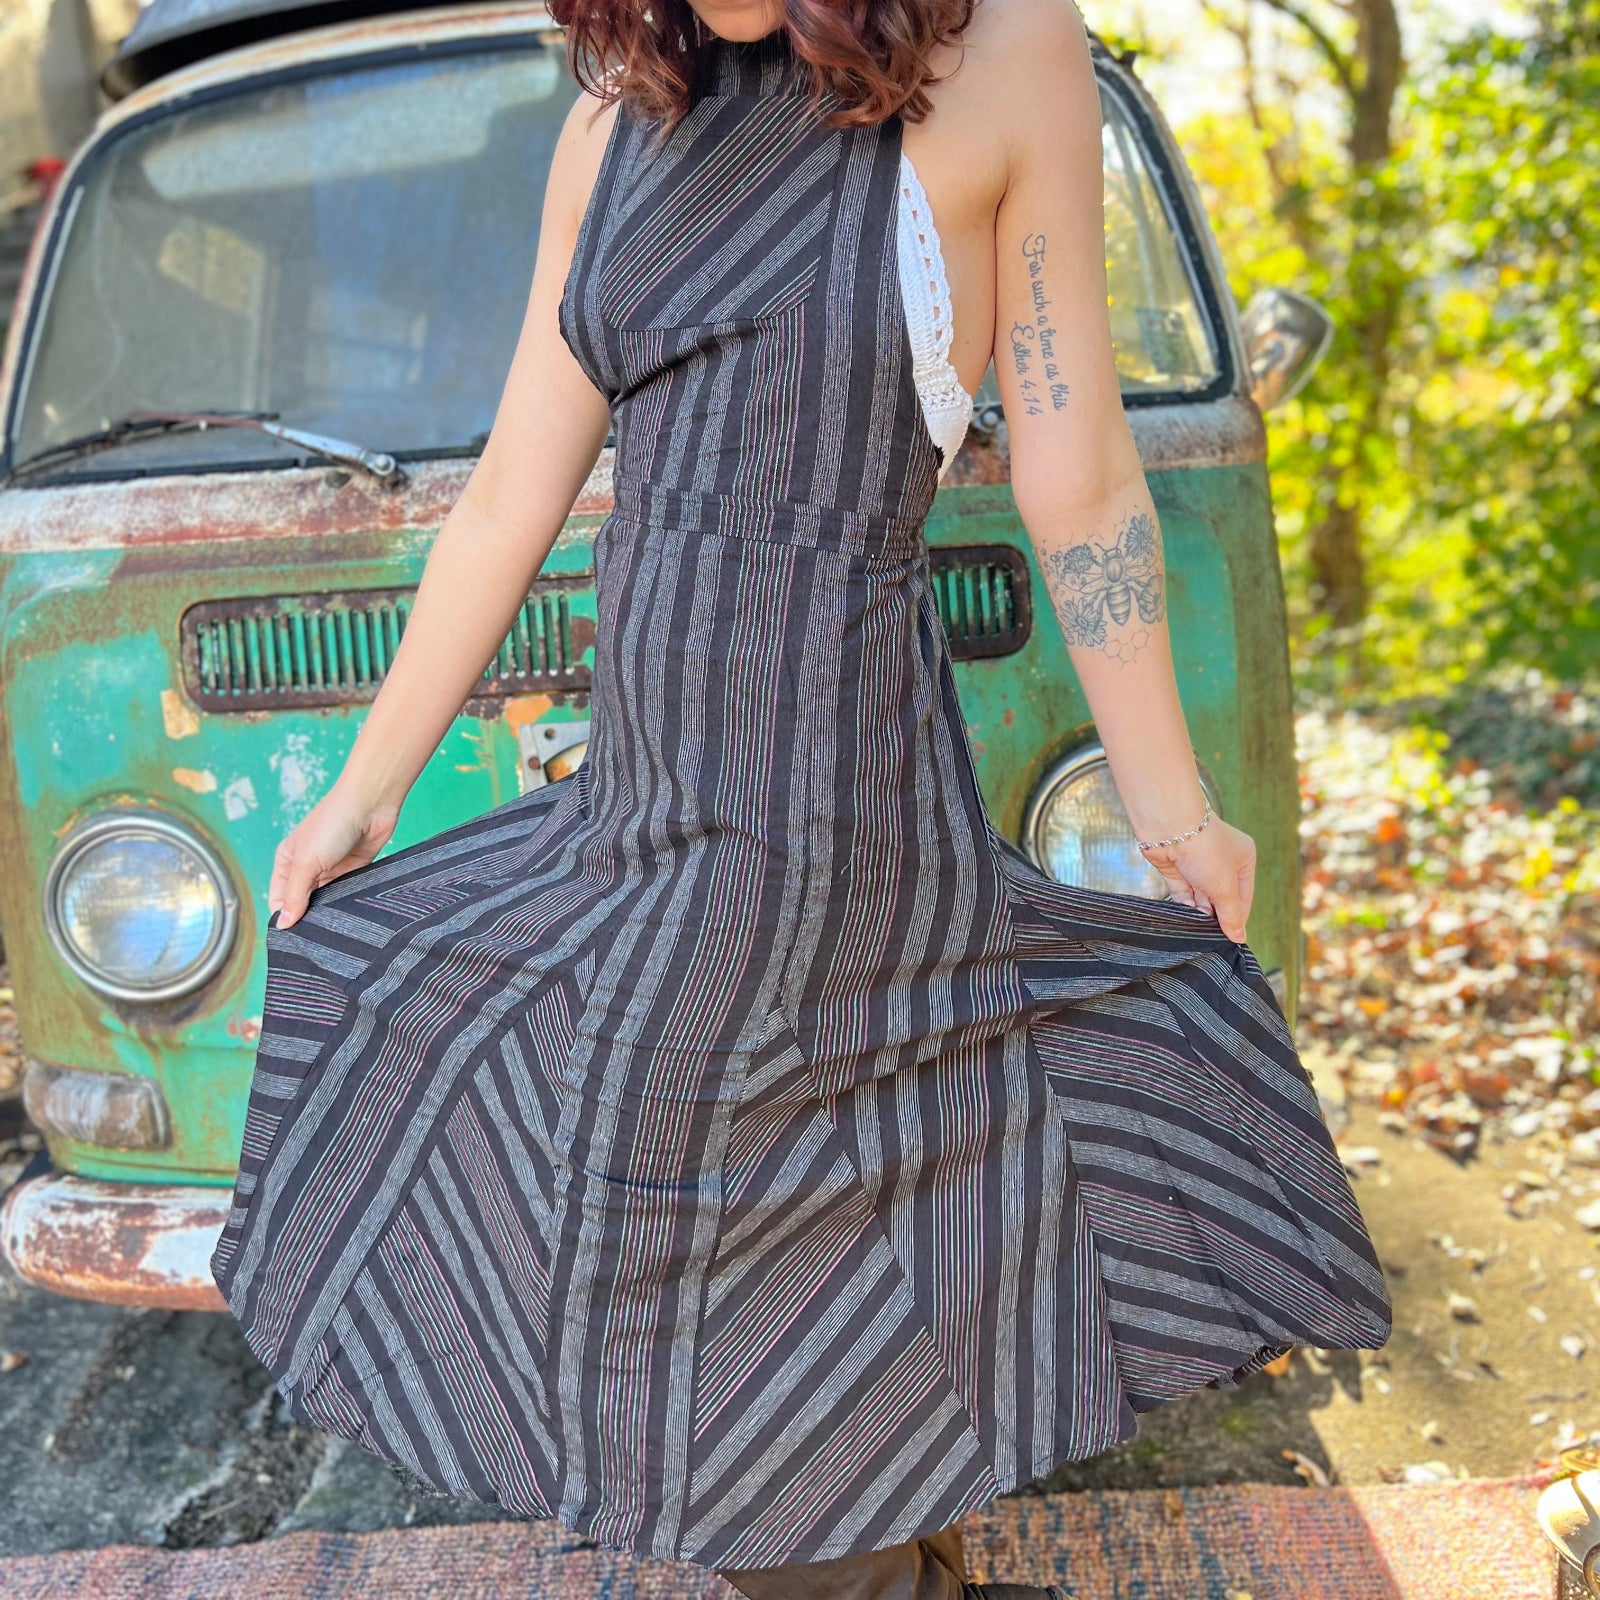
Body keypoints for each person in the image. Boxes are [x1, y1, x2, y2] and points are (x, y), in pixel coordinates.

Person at [208, 1, 1393, 1596]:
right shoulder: (618, 116)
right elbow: (512, 488)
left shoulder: (1010, 55)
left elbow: (1080, 471)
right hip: (645, 793)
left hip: (829, 788)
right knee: (712, 1218)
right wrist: (364, 788)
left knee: (706, 1264)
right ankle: (897, 1551)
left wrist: (1175, 807)